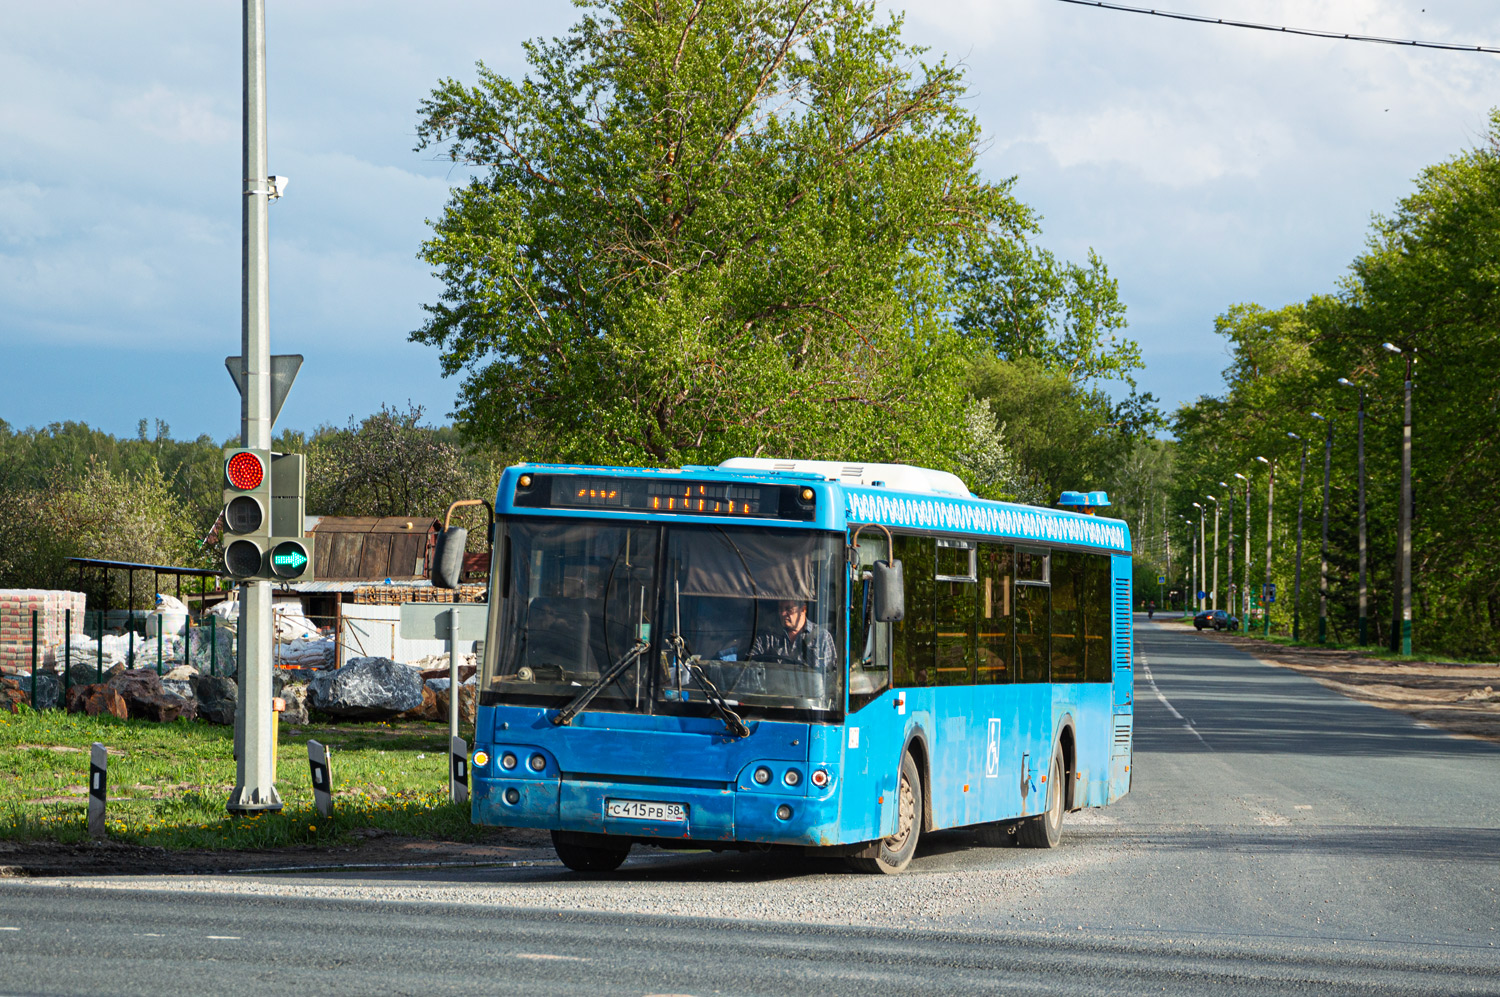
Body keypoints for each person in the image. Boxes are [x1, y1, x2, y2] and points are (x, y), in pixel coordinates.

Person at [749, 600, 835, 669]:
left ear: (803, 609)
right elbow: (750, 664)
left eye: (789, 609)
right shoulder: (769, 636)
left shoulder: (821, 637)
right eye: (780, 609)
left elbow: (829, 674)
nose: (783, 614)